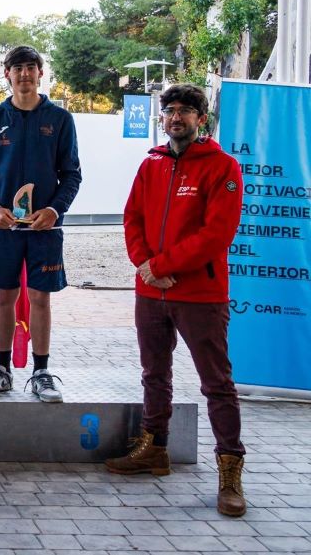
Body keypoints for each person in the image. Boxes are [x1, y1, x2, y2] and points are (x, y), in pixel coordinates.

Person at [108, 84, 246, 517]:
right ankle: (155, 449)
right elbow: (132, 217)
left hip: (200, 295)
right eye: (169, 110)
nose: (176, 117)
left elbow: (217, 234)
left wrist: (164, 264)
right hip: (151, 292)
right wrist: (145, 265)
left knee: (217, 384)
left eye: (186, 110)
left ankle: (230, 471)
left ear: (201, 119)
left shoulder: (223, 167)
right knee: (154, 374)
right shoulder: (151, 164)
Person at [0, 45, 82, 403]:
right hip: (2, 229)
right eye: (17, 68)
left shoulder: (60, 120)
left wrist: (55, 210)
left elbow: (72, 175)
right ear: (7, 74)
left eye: (31, 67)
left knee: (39, 297)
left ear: (40, 73)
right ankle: (2, 369)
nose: (24, 74)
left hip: (45, 229)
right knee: (4, 296)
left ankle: (41, 372)